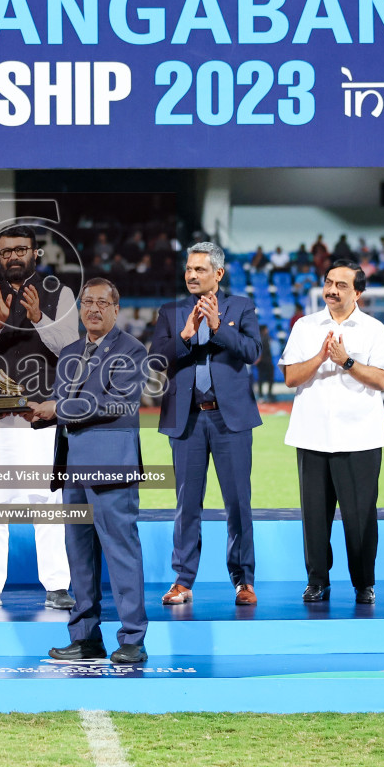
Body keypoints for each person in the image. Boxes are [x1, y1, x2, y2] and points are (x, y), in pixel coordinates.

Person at [27, 278, 150, 666]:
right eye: (87, 302)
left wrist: (56, 408)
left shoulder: (131, 350)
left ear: (116, 309)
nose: (93, 309)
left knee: (121, 554)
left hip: (112, 469)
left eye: (102, 302)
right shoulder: (69, 352)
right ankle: (85, 637)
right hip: (73, 470)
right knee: (78, 557)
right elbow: (64, 407)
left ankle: (132, 639)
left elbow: (115, 405)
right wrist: (30, 410)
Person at [0, 225, 80, 610]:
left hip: (40, 419)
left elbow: (71, 349)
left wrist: (39, 318)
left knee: (48, 505)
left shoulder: (60, 295)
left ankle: (57, 585)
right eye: (6, 251)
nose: (14, 256)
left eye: (21, 249)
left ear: (35, 253)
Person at [151, 241, 263, 606]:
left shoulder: (241, 307)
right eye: (188, 269)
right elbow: (155, 361)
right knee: (186, 505)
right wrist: (185, 335)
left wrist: (217, 326)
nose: (191, 275)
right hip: (187, 420)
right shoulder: (170, 312)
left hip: (229, 420)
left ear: (218, 273)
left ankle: (243, 581)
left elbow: (253, 352)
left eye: (199, 270)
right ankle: (183, 580)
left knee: (238, 503)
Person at [279, 261, 384, 604]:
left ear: (357, 292)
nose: (332, 290)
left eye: (341, 285)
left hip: (360, 437)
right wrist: (320, 357)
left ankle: (364, 584)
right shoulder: (305, 327)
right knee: (314, 517)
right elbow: (291, 377)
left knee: (360, 519)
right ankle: (317, 581)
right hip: (311, 434)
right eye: (329, 283)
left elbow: (382, 379)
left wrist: (345, 361)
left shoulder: (374, 329)